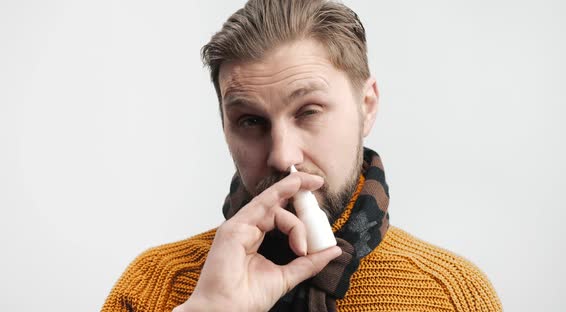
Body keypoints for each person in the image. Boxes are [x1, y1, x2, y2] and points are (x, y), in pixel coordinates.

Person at [102, 0, 502, 311]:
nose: (282, 157)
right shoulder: (154, 288)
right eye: (250, 121)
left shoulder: (452, 296)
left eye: (309, 111)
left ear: (367, 105)